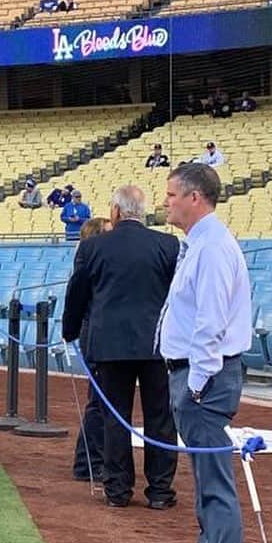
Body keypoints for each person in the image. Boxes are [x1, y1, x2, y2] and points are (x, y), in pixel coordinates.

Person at [159, 163, 251, 543]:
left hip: (204, 381)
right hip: (198, 379)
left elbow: (211, 325)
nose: (166, 202)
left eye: (172, 194)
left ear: (195, 198)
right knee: (205, 485)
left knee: (215, 487)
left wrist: (195, 384)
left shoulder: (213, 248)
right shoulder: (200, 245)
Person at [63, 186, 179, 508]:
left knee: (115, 417)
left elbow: (78, 292)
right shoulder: (167, 245)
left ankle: (117, 490)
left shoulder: (94, 247)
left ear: (115, 211)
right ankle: (159, 491)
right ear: (142, 212)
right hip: (157, 345)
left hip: (110, 346)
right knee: (160, 417)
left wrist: (69, 330)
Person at [66, 217, 111, 483]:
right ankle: (88, 462)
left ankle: (88, 461)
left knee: (99, 401)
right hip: (92, 331)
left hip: (94, 329)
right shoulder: (91, 263)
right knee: (98, 402)